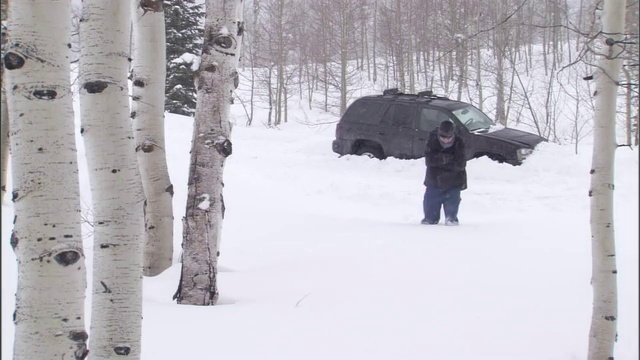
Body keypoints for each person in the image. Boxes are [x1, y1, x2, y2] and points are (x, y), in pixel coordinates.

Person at [421, 120, 467, 226]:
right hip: (434, 179)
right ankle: (430, 218)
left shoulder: (459, 141)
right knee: (430, 216)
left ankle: (451, 218)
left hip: (454, 180)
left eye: (449, 138)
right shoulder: (432, 140)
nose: (446, 140)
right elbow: (429, 160)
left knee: (452, 211)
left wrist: (440, 160)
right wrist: (449, 159)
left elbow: (460, 164)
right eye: (443, 138)